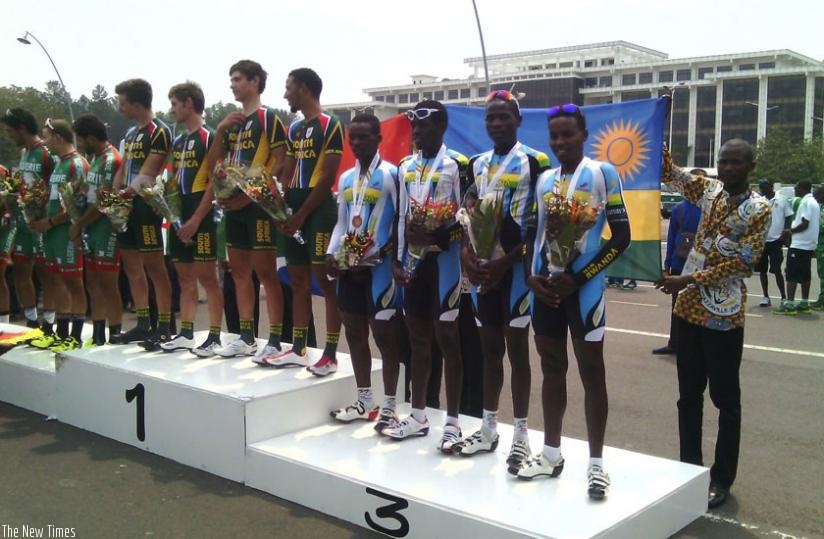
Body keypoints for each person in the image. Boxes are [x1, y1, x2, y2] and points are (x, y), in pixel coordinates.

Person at [519, 103, 631, 500]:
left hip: (584, 292)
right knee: (552, 368)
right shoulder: (545, 179)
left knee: (591, 373)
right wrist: (531, 277)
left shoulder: (602, 173)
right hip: (546, 290)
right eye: (555, 136)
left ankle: (597, 465)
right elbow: (534, 236)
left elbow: (621, 237)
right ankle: (551, 454)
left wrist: (579, 278)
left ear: (583, 134)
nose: (561, 142)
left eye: (568, 134)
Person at [656, 139, 770, 509]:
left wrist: (686, 280)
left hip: (723, 315)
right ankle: (689, 470)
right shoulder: (709, 191)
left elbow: (744, 262)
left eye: (736, 161)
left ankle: (721, 477)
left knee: (725, 400)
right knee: (688, 397)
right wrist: (658, 142)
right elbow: (670, 176)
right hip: (689, 310)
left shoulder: (759, 209)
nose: (728, 167)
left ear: (751, 165)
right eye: (723, 160)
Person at [456, 90, 549, 467]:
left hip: (514, 272)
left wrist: (505, 262)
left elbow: (539, 224)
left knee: (518, 352)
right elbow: (467, 214)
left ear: (518, 120)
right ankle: (489, 426)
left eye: (503, 118)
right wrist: (469, 255)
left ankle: (522, 434)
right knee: (489, 351)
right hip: (483, 272)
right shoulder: (476, 163)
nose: (496, 124)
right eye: (490, 118)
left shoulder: (535, 160)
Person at [326, 113, 403, 433]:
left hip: (380, 269)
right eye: (352, 138)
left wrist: (393, 257)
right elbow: (342, 223)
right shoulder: (345, 179)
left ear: (378, 138)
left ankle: (389, 407)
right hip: (349, 268)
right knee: (355, 334)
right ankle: (364, 401)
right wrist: (331, 254)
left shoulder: (391, 175)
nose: (357, 143)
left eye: (363, 137)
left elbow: (401, 221)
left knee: (385, 338)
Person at [206, 60, 288, 360]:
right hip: (233, 207)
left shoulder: (269, 119)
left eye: (238, 79)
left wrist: (252, 196)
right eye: (231, 79)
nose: (232, 84)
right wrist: (220, 131)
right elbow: (213, 165)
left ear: (255, 82)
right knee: (239, 272)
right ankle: (246, 337)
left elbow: (279, 162)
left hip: (258, 208)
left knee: (266, 273)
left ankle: (276, 339)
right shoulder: (233, 122)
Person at [266, 67, 343, 376]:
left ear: (305, 90)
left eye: (289, 88)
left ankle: (331, 352)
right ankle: (298, 348)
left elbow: (327, 177)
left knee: (324, 282)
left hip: (319, 211)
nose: (285, 95)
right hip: (294, 210)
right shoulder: (295, 129)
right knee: (297, 280)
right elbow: (287, 169)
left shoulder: (331, 124)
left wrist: (300, 215)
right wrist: (280, 205)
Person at [160, 82, 224, 355]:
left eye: (174, 103)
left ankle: (215, 336)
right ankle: (186, 333)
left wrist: (197, 219)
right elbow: (172, 180)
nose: (172, 109)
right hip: (179, 212)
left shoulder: (209, 137)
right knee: (184, 276)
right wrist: (164, 205)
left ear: (189, 103)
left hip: (202, 212)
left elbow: (214, 183)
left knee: (207, 277)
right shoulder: (178, 140)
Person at [109, 79, 174, 349]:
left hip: (146, 207)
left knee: (155, 269)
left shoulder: (159, 131)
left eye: (123, 103)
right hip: (127, 208)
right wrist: (113, 199)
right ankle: (144, 323)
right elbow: (123, 168)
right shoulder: (131, 134)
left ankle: (164, 326)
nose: (120, 108)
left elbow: (149, 172)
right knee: (132, 268)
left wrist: (126, 194)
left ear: (136, 104)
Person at [30, 119, 90, 352]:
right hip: (53, 233)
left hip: (67, 232)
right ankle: (60, 332)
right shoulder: (59, 164)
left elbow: (78, 204)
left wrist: (51, 221)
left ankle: (75, 335)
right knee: (57, 283)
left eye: (46, 137)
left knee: (74, 283)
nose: (44, 143)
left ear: (58, 137)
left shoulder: (77, 163)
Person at [1, 108, 57, 335]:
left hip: (42, 225)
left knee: (47, 275)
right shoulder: (24, 153)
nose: (9, 135)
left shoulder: (46, 152)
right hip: (23, 226)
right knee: (22, 273)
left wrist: (48, 217)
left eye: (10, 131)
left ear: (22, 128)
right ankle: (32, 323)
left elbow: (58, 186)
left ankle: (50, 324)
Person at [71, 114, 124, 345]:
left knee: (108, 285)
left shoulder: (111, 160)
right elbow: (92, 194)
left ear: (91, 137)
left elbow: (104, 202)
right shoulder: (95, 158)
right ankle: (99, 334)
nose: (79, 145)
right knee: (92, 283)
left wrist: (79, 223)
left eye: (80, 140)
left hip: (105, 229)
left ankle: (115, 334)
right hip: (91, 229)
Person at [652, 198, 701, 355]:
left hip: (679, 261)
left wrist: (667, 264)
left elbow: (672, 238)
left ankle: (675, 343)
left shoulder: (678, 208)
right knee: (696, 306)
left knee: (677, 307)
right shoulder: (710, 208)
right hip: (699, 263)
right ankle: (689, 345)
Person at [773, 180, 820, 315]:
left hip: (800, 245)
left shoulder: (806, 202)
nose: (795, 190)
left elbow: (805, 223)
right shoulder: (814, 202)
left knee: (791, 274)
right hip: (808, 245)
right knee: (805, 274)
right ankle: (804, 302)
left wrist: (790, 231)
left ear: (803, 188)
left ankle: (789, 304)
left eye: (797, 188)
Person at [754, 179, 792, 307]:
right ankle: (765, 297)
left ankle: (783, 297)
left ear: (771, 187)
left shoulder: (782, 199)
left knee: (776, 270)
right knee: (762, 270)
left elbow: (788, 217)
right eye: (761, 188)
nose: (762, 190)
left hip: (776, 240)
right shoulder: (759, 201)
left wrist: (785, 233)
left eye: (764, 187)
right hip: (763, 240)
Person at [812, 187, 824, 311]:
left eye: (817, 196)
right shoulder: (820, 207)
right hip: (820, 245)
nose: (816, 199)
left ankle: (822, 301)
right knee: (821, 274)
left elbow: (820, 226)